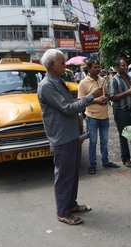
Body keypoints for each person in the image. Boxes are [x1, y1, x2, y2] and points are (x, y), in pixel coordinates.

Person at [37, 49, 102, 225]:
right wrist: (90, 97)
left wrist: (91, 100)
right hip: (61, 138)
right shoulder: (47, 86)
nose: (65, 66)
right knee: (64, 176)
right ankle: (62, 212)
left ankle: (71, 204)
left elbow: (71, 104)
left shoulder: (59, 81)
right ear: (51, 65)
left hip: (71, 135)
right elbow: (68, 108)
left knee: (72, 174)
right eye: (62, 63)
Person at [78, 58, 120, 175]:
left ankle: (105, 161)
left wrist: (105, 99)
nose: (98, 69)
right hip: (92, 117)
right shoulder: (83, 83)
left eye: (98, 67)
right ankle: (92, 165)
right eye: (95, 67)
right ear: (89, 68)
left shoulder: (102, 80)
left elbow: (105, 94)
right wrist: (96, 100)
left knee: (104, 141)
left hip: (104, 116)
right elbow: (81, 101)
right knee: (93, 141)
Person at [108, 58, 131, 168]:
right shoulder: (114, 81)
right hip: (121, 112)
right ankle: (126, 159)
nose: (125, 67)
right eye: (122, 65)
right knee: (123, 136)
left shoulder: (130, 78)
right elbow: (112, 97)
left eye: (126, 65)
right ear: (117, 67)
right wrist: (128, 92)